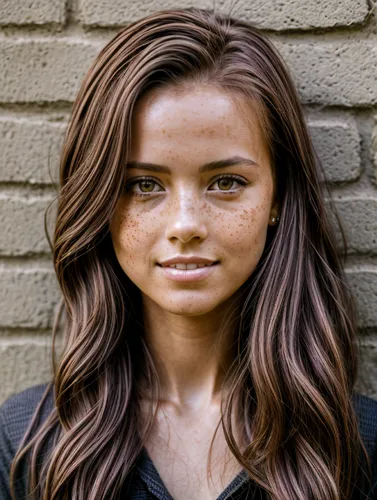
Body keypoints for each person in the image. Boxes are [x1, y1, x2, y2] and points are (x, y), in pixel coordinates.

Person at [0, 6, 376, 500]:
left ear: (278, 197)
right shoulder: (29, 441)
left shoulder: (360, 444)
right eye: (143, 185)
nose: (185, 226)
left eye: (226, 182)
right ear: (100, 201)